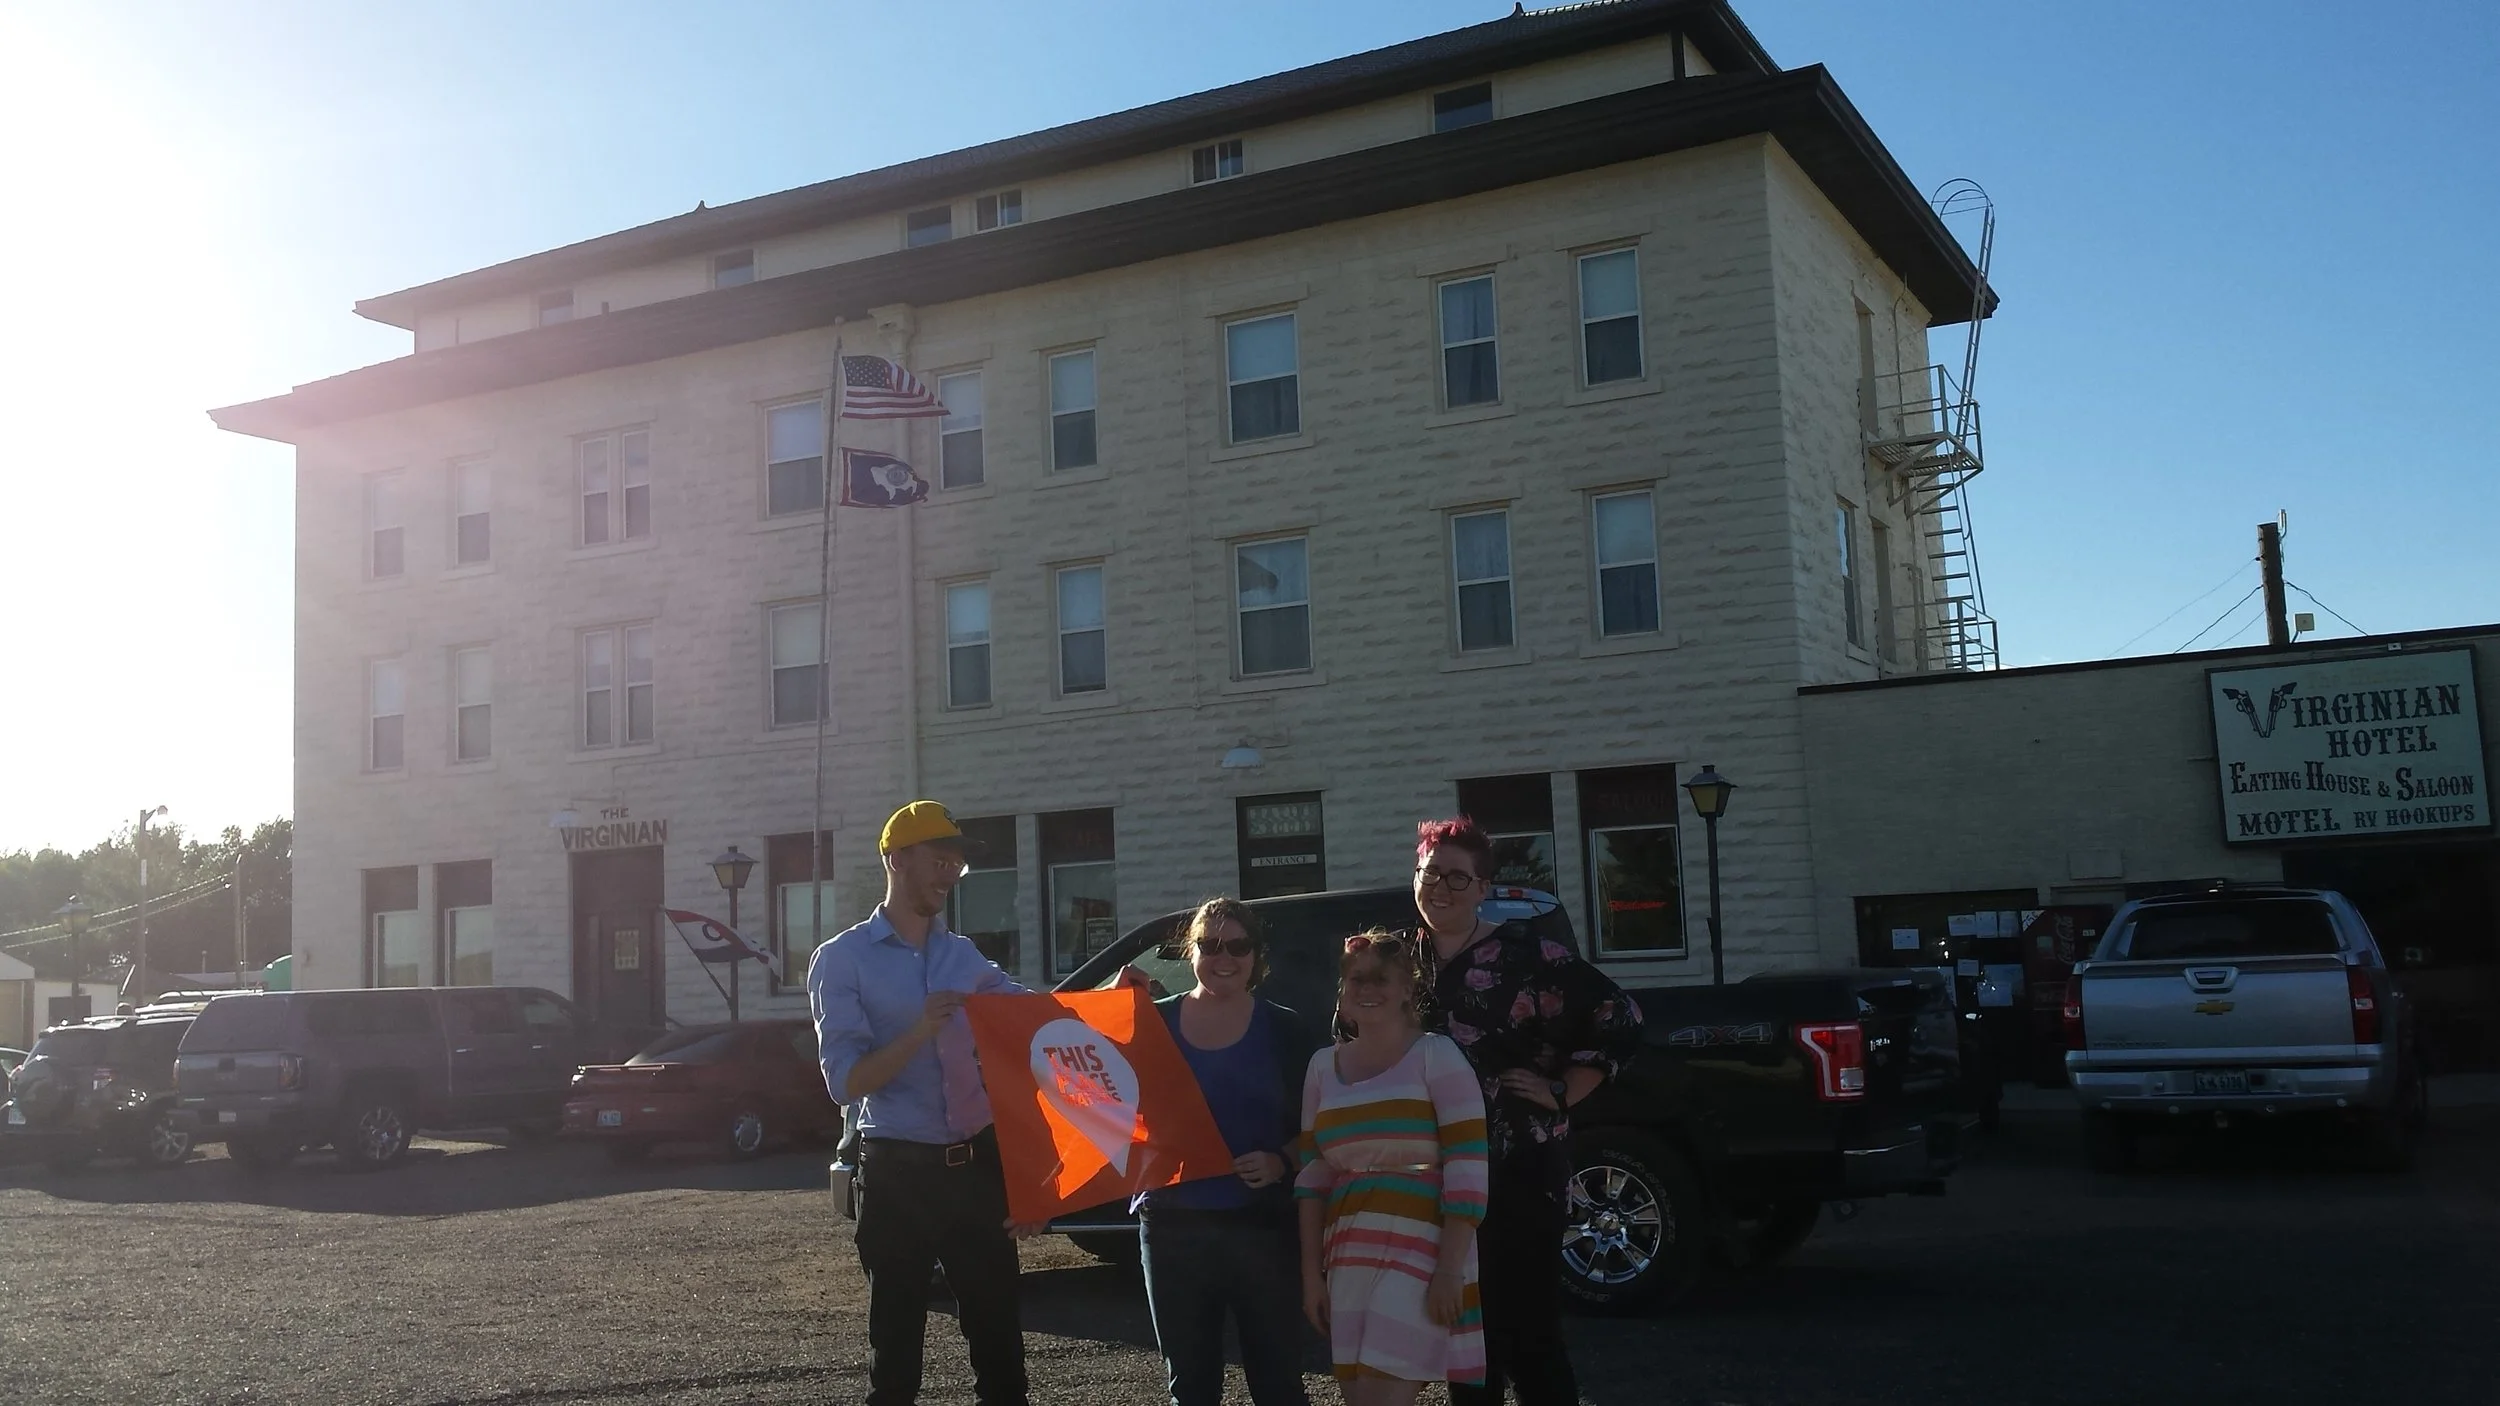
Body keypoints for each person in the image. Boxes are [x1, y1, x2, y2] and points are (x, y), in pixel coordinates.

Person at [809, 801, 1039, 1406]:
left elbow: (1037, 1018)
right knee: (896, 1355)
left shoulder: (963, 956)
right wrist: (918, 1030)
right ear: (895, 860)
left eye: (956, 865)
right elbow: (845, 1083)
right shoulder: (842, 959)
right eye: (939, 860)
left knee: (1001, 1348)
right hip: (896, 1174)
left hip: (975, 1167)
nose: (948, 873)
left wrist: (1118, 1001)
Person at [1410, 817, 1643, 1406]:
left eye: (1458, 879)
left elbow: (1619, 1015)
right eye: (1430, 874)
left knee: (1530, 1338)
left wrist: (1563, 1090)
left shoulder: (1527, 956)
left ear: (1485, 888)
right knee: (1464, 1346)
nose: (1440, 889)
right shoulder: (1397, 960)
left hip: (1516, 1171)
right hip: (1426, 1177)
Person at [1135, 898, 1319, 1406]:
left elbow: (1324, 1125)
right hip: (1173, 1227)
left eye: (1239, 946)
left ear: (1257, 956)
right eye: (1211, 945)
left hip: (1262, 1227)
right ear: (1189, 951)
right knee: (1190, 1387)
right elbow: (1087, 1083)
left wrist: (1282, 1160)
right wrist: (1113, 1000)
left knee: (1278, 1383)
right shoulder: (1151, 1023)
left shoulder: (1286, 1028)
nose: (1225, 957)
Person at [1295, 929, 1488, 1406]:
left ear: (1408, 989)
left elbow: (1468, 1164)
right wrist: (1310, 1275)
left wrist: (1449, 1271)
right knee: (1360, 1396)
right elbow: (1312, 1176)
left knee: (1384, 1395)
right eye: (1357, 979)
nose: (1368, 988)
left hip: (1422, 1252)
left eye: (1382, 978)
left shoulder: (1436, 1055)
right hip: (1347, 1251)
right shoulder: (1322, 1067)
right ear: (1342, 991)